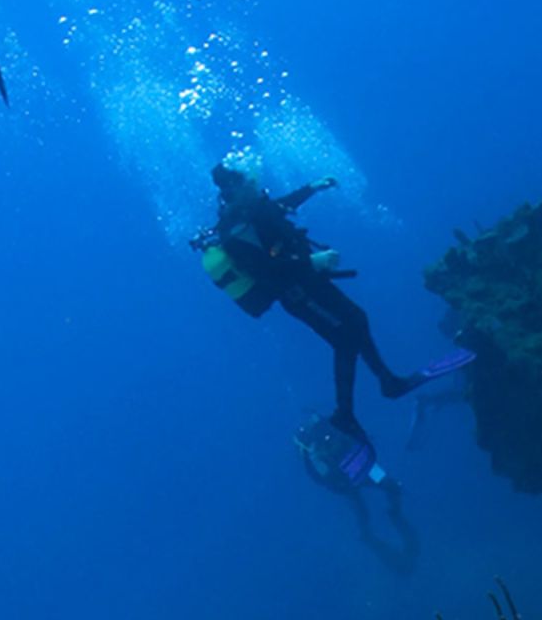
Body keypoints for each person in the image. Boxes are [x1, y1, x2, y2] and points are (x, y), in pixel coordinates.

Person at [191, 163, 473, 442]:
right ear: (233, 189)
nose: (255, 185)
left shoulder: (254, 210)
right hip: (296, 294)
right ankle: (351, 411)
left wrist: (312, 188)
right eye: (248, 183)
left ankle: (386, 385)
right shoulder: (234, 232)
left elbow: (278, 207)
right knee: (346, 337)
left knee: (356, 323)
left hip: (307, 282)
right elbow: (262, 269)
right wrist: (310, 261)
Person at [294, 413, 418, 576]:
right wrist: (337, 485)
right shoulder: (314, 447)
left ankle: (390, 517)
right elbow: (318, 476)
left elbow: (355, 432)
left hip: (360, 471)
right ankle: (368, 535)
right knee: (363, 509)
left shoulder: (330, 427)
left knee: (388, 487)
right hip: (350, 479)